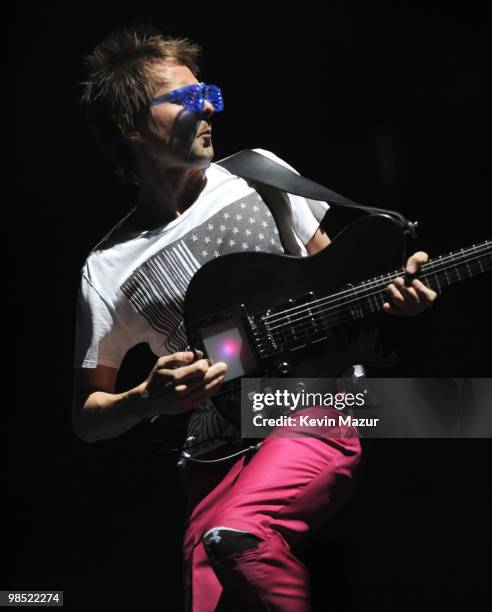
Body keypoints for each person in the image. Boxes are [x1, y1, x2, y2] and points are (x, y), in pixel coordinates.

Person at [72, 25, 437, 611]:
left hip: (317, 403)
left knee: (240, 534)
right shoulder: (107, 267)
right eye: (188, 99)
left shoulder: (257, 174)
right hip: (212, 453)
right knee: (207, 589)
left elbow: (341, 286)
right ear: (131, 127)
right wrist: (147, 397)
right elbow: (88, 419)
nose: (212, 106)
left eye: (209, 91)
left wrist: (397, 296)